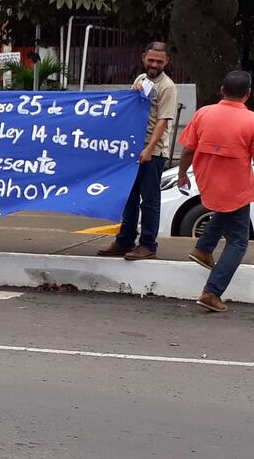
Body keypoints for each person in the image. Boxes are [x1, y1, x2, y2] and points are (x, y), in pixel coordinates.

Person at [175, 70, 254, 312]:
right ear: (247, 94)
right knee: (239, 242)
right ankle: (212, 292)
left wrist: (181, 174)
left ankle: (203, 248)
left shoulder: (203, 113)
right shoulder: (251, 120)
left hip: (207, 180)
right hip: (236, 185)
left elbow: (188, 150)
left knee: (224, 210)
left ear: (222, 90)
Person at [97, 41, 178, 260]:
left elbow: (163, 121)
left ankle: (148, 244)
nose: (154, 64)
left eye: (159, 62)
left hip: (153, 152)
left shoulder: (167, 87)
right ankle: (125, 240)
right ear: (143, 58)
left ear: (167, 62)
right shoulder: (140, 80)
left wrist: (150, 149)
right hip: (133, 149)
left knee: (149, 199)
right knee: (129, 197)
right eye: (151, 60)